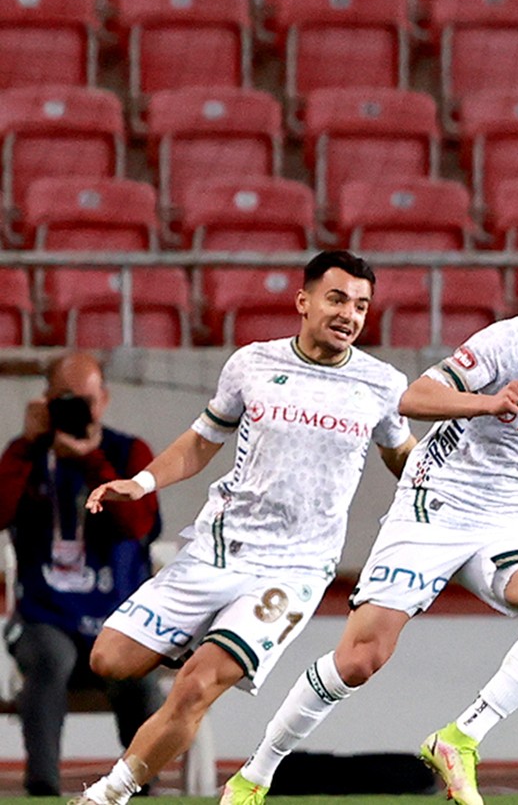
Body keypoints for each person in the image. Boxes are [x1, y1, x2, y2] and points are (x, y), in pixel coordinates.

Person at [218, 244, 518, 805]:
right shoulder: (513, 341)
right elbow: (414, 397)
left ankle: (459, 737)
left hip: (506, 527)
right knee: (361, 659)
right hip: (433, 506)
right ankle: (255, 775)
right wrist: (488, 404)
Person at [69, 250, 416, 805]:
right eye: (337, 299)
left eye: (361, 305)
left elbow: (405, 459)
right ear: (303, 302)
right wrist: (142, 482)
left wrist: (449, 504)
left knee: (195, 688)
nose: (349, 314)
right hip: (218, 549)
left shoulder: (381, 384)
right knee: (109, 659)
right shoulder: (252, 364)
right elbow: (202, 440)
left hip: (293, 570)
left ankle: (109, 794)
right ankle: (205, 635)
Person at [0, 353, 163, 797]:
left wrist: (92, 461)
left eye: (85, 401)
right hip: (44, 615)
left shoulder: (129, 453)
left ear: (103, 400)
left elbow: (139, 525)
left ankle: (141, 787)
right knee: (50, 659)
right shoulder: (26, 454)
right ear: (46, 400)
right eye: (64, 399)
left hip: (118, 617)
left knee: (139, 677)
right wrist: (26, 446)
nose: (76, 410)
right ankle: (43, 789)